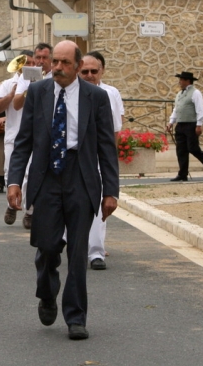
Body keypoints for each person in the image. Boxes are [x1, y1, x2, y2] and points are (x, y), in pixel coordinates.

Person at [7, 40, 119, 340]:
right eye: (54, 61)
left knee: (79, 251)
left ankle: (76, 317)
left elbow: (107, 147)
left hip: (81, 178)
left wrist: (111, 191)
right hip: (46, 179)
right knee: (47, 246)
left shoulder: (96, 97)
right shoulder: (38, 93)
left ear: (78, 66)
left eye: (64, 63)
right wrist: (15, 181)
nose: (56, 67)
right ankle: (46, 292)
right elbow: (24, 141)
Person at [79, 52, 124, 271]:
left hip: (97, 157)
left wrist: (109, 162)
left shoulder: (110, 93)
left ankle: (96, 251)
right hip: (72, 159)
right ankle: (73, 244)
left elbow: (114, 130)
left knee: (97, 204)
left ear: (102, 71)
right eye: (84, 71)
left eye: (93, 71)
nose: (89, 75)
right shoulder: (70, 92)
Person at [11, 43, 53, 228]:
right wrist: (31, 86)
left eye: (45, 58)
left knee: (36, 175)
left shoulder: (55, 76)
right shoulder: (26, 77)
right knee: (27, 173)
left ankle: (31, 210)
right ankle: (25, 208)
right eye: (38, 57)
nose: (41, 61)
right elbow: (17, 104)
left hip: (47, 133)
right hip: (29, 131)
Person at [0, 49, 35, 225]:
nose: (29, 66)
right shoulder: (8, 84)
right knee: (10, 173)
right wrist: (12, 94)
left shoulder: (39, 84)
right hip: (13, 136)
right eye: (26, 63)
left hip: (34, 135)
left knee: (30, 174)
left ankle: (30, 211)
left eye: (32, 63)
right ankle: (11, 205)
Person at [166, 71, 203, 181]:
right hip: (181, 125)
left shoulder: (195, 93)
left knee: (193, 148)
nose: (180, 82)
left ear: (188, 81)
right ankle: (183, 174)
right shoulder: (179, 94)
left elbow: (200, 109)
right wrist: (170, 122)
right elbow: (176, 110)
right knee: (181, 150)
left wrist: (199, 124)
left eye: (182, 80)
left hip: (191, 125)